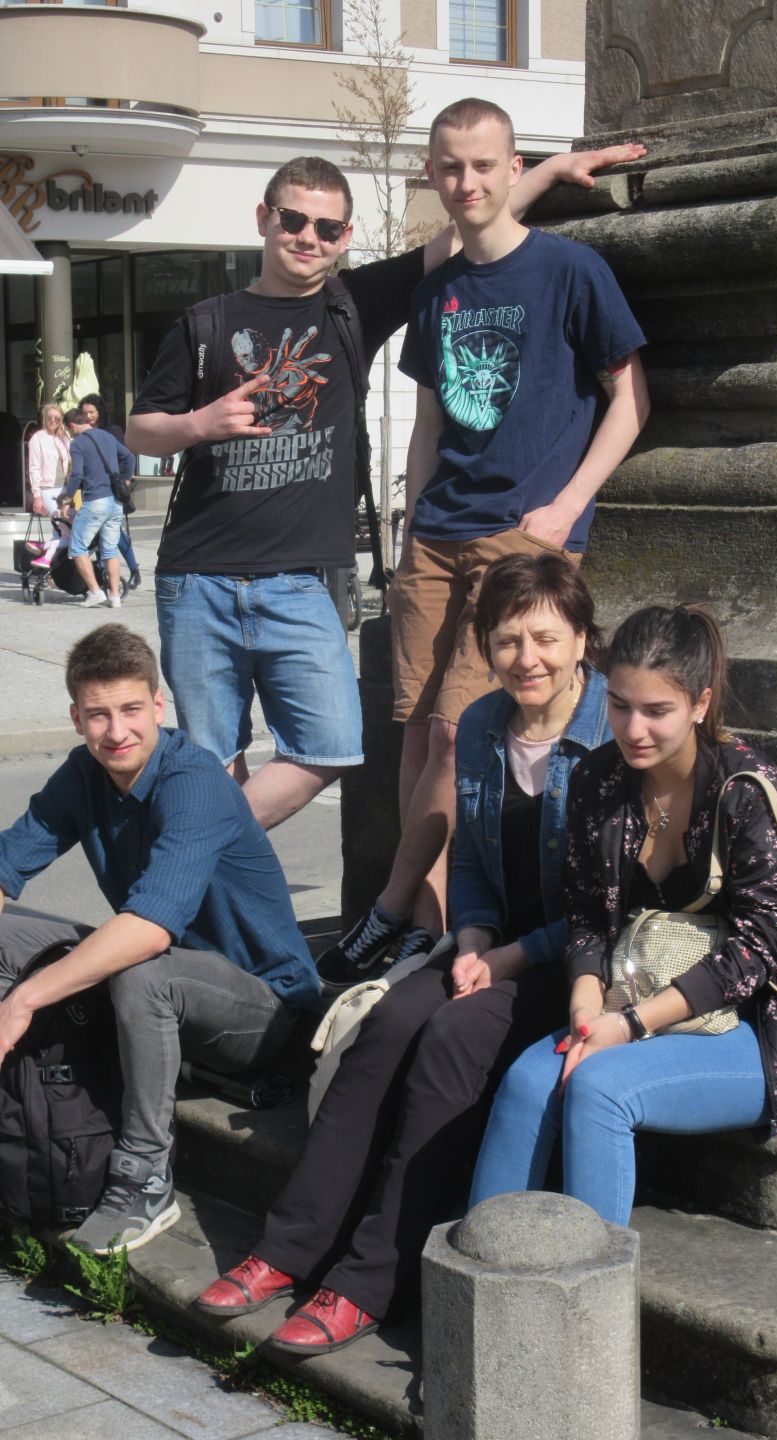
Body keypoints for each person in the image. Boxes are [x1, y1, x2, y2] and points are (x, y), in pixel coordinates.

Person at [124, 142, 644, 833]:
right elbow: (140, 431)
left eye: (327, 228)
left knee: (331, 746)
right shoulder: (207, 322)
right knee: (216, 764)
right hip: (198, 577)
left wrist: (545, 171)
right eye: (293, 220)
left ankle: (183, 850)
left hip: (300, 580)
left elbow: (470, 224)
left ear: (345, 238)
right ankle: (209, 886)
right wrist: (199, 423)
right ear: (264, 219)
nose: (308, 238)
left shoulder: (352, 305)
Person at [194, 552, 611, 1353]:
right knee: (386, 1024)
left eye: (546, 639)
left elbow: (606, 906)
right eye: (507, 639)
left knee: (453, 1037)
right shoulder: (484, 724)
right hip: (492, 945)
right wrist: (476, 931)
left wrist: (510, 956)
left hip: (577, 961)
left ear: (582, 640)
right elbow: (474, 857)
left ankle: (370, 1278)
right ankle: (287, 1247)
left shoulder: (607, 738)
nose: (527, 657)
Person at [318, 98, 650, 989]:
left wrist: (566, 507)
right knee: (416, 739)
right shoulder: (438, 289)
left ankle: (391, 908)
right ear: (433, 174)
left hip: (520, 537)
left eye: (484, 165)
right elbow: (429, 422)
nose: (467, 182)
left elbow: (630, 400)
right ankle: (430, 929)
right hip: (436, 535)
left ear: (513, 170)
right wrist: (409, 531)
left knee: (458, 736)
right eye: (451, 167)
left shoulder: (571, 271)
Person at [470, 604, 777, 1225]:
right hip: (634, 993)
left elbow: (759, 949)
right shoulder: (599, 779)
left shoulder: (749, 791)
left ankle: (589, 1284)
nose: (633, 729)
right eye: (620, 705)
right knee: (525, 1083)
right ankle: (485, 1268)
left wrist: (628, 1025)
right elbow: (586, 913)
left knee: (600, 1090)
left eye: (657, 711)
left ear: (701, 704)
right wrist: (585, 1001)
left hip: (759, 1021)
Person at [0, 625, 319, 1254]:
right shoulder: (84, 773)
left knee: (142, 971)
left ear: (157, 705)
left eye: (130, 710)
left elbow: (148, 931)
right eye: (98, 715)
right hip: (164, 978)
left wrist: (23, 999)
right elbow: (7, 864)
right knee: (13, 934)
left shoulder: (192, 782)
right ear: (76, 717)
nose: (116, 731)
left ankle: (144, 1177)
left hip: (263, 1008)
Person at [62, 408, 133, 608]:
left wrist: (68, 498)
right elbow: (129, 457)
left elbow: (76, 474)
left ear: (72, 425)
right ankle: (115, 596)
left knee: (77, 547)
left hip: (95, 501)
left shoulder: (77, 443)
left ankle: (95, 592)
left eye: (69, 430)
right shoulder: (107, 436)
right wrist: (126, 480)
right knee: (110, 549)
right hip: (115, 503)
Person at [79, 393, 142, 590]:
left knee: (114, 531)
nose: (88, 416)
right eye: (84, 413)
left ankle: (134, 569)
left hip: (111, 489)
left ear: (100, 411)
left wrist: (125, 481)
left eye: (91, 412)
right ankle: (103, 572)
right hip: (92, 489)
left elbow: (126, 457)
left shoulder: (112, 431)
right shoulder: (83, 433)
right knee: (100, 532)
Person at [27, 403, 70, 519]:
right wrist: (37, 496)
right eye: (49, 417)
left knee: (66, 523)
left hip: (65, 487)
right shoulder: (37, 439)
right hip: (48, 489)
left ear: (61, 420)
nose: (52, 420)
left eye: (57, 418)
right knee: (59, 520)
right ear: (44, 418)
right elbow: (34, 468)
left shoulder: (64, 438)